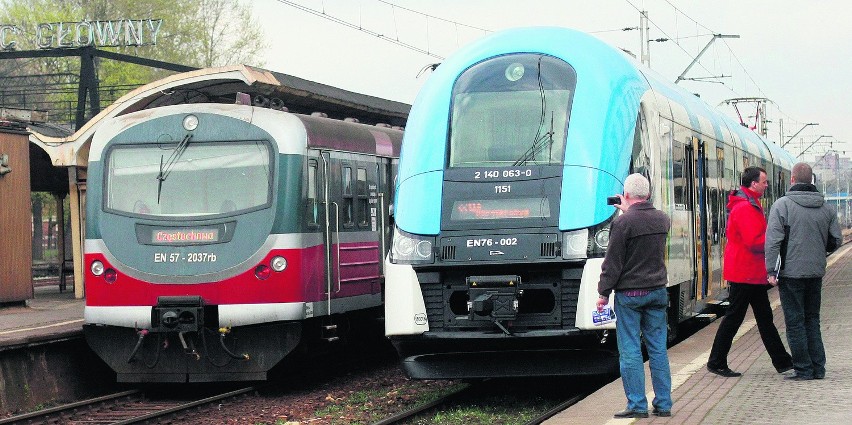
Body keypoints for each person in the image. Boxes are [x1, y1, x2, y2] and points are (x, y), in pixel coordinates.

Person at [597, 173, 672, 419]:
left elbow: (613, 263)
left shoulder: (623, 224)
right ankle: (663, 404)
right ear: (648, 194)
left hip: (630, 295)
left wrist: (603, 293)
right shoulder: (663, 219)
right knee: (658, 349)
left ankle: (638, 405)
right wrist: (627, 211)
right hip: (657, 291)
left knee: (630, 350)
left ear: (626, 196)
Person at [707, 166, 793, 377]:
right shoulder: (746, 208)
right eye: (764, 181)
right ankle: (716, 361)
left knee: (761, 318)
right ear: (753, 183)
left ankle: (782, 361)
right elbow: (755, 241)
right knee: (736, 317)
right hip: (745, 272)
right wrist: (777, 239)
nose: (766, 185)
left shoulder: (749, 204)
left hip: (750, 272)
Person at [765, 162, 842, 381]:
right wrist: (820, 252)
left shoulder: (782, 206)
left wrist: (771, 270)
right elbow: (836, 240)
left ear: (792, 180)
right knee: (812, 319)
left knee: (795, 322)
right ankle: (818, 368)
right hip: (815, 273)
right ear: (811, 180)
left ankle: (803, 369)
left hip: (790, 273)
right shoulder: (826, 207)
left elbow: (773, 242)